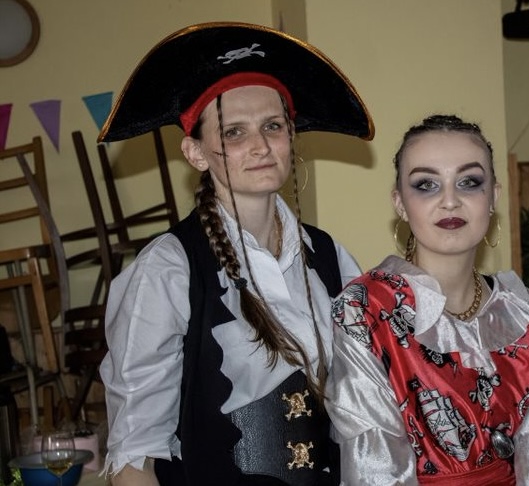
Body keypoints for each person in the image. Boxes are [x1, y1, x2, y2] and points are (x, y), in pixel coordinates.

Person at [97, 22, 374, 486]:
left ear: (291, 135)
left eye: (272, 127)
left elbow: (365, 413)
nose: (261, 146)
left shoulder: (329, 257)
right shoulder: (168, 269)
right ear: (196, 153)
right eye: (234, 133)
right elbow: (134, 454)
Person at [325, 114, 529, 485]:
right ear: (400, 203)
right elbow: (375, 471)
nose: (450, 201)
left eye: (469, 182)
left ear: (493, 197)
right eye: (426, 185)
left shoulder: (527, 318)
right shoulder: (365, 312)